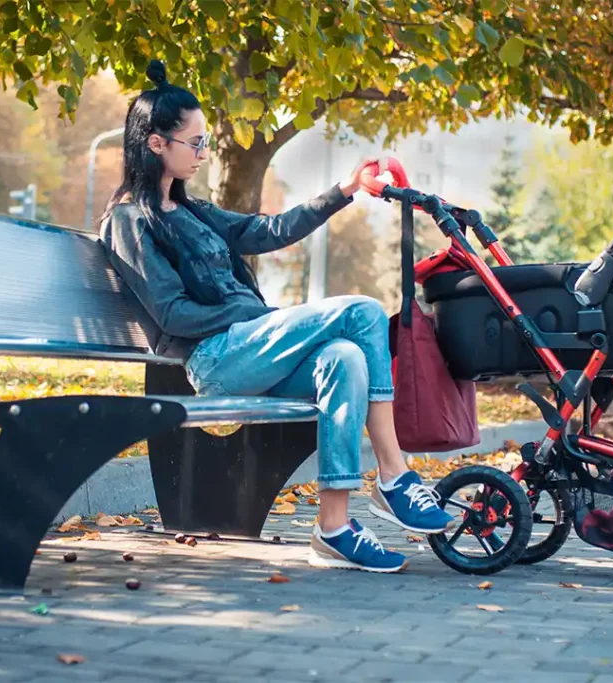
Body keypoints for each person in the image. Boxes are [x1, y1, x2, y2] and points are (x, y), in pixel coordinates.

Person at [99, 60, 454, 574]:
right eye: (193, 143)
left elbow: (269, 230)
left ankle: (333, 528)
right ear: (156, 144)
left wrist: (345, 189)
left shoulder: (194, 212)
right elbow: (172, 314)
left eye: (204, 143)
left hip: (250, 347)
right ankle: (395, 473)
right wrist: (253, 317)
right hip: (216, 359)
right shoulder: (129, 221)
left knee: (345, 358)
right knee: (363, 311)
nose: (202, 153)